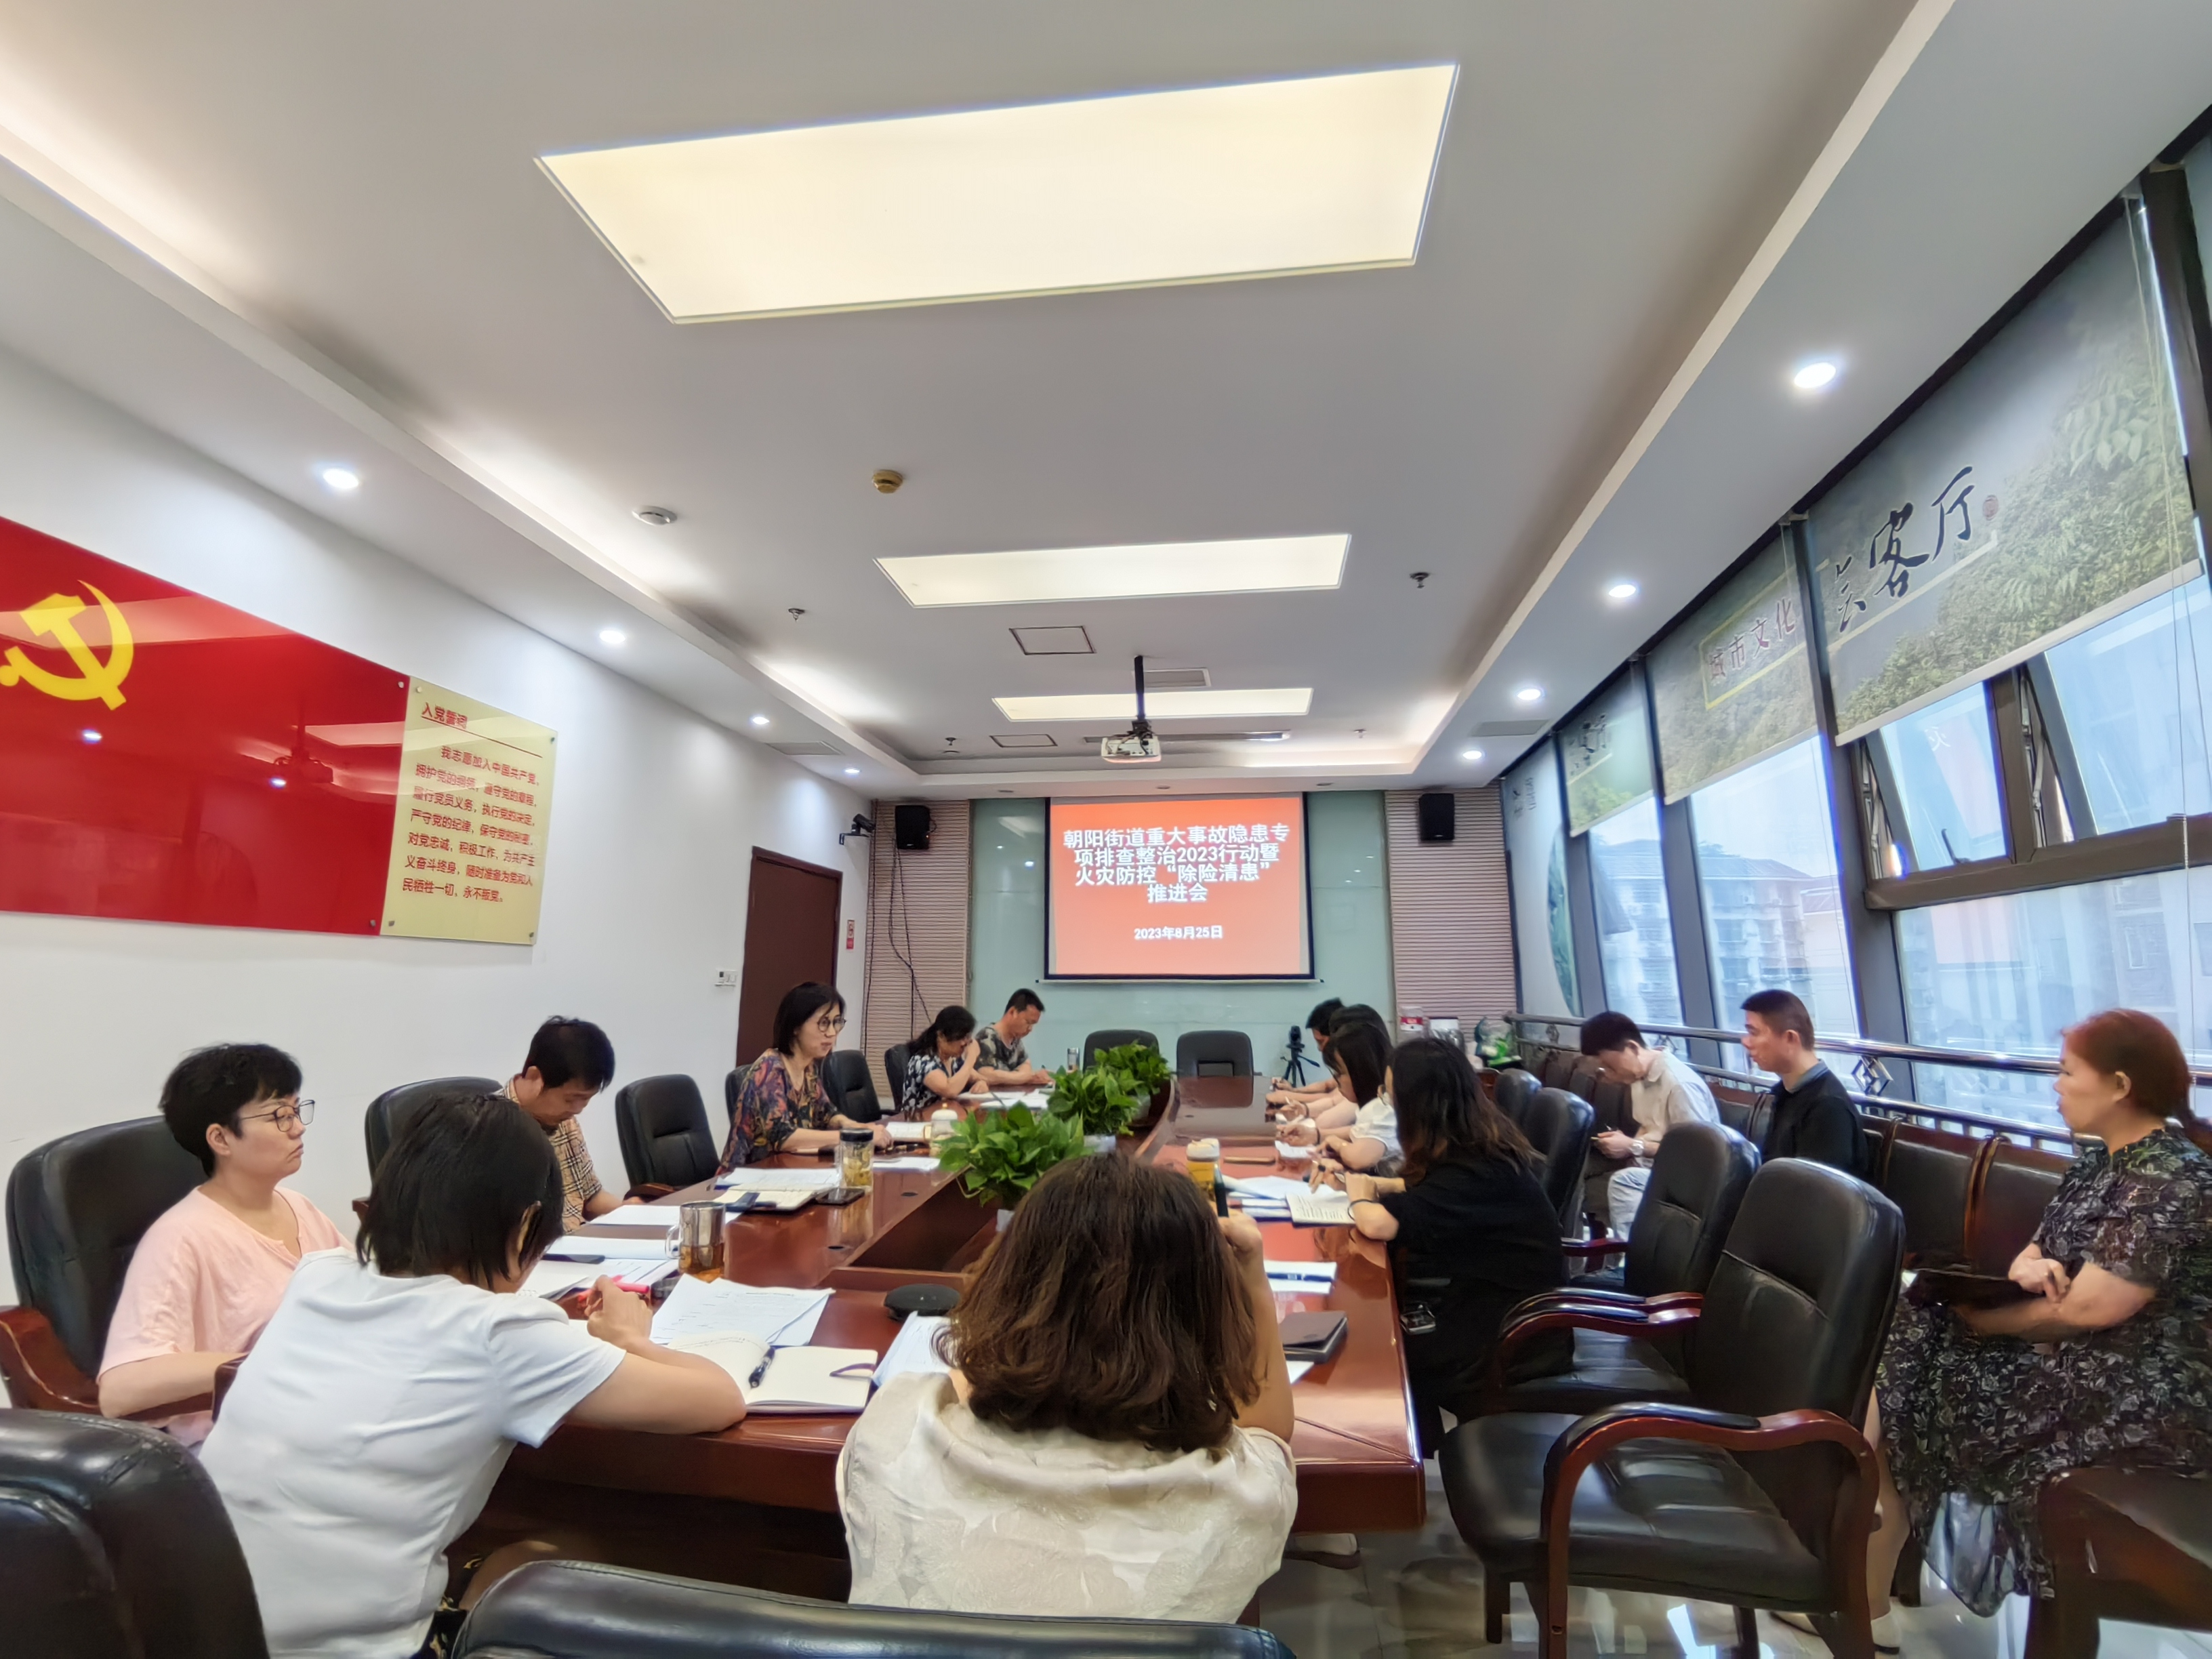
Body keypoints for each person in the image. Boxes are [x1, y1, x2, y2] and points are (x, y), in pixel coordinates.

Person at [203, 1090, 743, 1659]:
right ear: (526, 1225)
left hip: (199, 1630)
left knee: (519, 1557)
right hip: (358, 1652)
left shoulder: (318, 1274)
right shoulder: (500, 1333)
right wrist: (632, 1339)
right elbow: (720, 1399)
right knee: (593, 1550)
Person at [1845, 1010, 2212, 1643]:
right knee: (1919, 1334)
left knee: (1922, 1358)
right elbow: (2033, 1252)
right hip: (2077, 1360)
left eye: (2068, 1073)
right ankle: (1858, 1514)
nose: (2056, 1086)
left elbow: (2089, 1310)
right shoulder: (2098, 1162)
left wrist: (1985, 1321)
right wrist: (2031, 1267)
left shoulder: (2169, 1178)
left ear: (2120, 1086)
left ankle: (1852, 1502)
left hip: (2145, 1394)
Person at [838, 1153, 1296, 1620]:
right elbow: (1269, 1428)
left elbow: (970, 1377)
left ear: (1007, 1282)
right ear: (1202, 1321)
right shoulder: (1242, 1495)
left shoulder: (891, 1435)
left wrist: (1019, 1338)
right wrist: (1254, 1282)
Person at [98, 1044, 346, 1446]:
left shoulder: (299, 1207)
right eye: (279, 1116)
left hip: (324, 1413)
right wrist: (267, 1362)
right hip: (243, 1442)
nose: (298, 1128)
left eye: (297, 1110)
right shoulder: (181, 1238)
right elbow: (122, 1389)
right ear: (221, 1138)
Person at [1328, 1036, 1565, 1447]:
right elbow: (1433, 1191)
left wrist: (1359, 1197)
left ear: (1420, 1105)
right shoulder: (1476, 1146)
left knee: (1375, 1353)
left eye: (1392, 1096)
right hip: (1484, 1304)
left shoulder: (1477, 1170)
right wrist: (1378, 1185)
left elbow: (1378, 1225)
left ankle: (1401, 1460)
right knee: (1377, 1340)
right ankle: (1418, 1451)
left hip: (1514, 1334)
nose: (1389, 1104)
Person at [719, 983, 889, 1171]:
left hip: (787, 1172)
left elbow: (827, 1115)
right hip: (744, 1180)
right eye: (823, 1023)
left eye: (837, 1022)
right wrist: (855, 1136)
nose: (832, 1033)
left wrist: (857, 1127)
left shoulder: (808, 1069)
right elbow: (784, 1137)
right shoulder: (769, 1070)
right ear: (796, 1027)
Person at [1579, 1010, 1721, 1233]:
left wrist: (1633, 1146)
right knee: (1577, 1169)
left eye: (1610, 1067)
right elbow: (1648, 1127)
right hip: (1651, 1168)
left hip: (1683, 1180)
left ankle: (1629, 1249)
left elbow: (1696, 1157)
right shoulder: (1638, 1076)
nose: (1608, 1075)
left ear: (1632, 1048)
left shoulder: (1679, 1086)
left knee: (1622, 1182)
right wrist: (1626, 1145)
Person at [505, 1016, 630, 1231]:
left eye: (586, 1099)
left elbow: (591, 1197)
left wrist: (631, 1211)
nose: (578, 1110)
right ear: (534, 1077)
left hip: (576, 1243)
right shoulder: (493, 1131)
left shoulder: (562, 1119)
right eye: (571, 1099)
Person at [1741, 988, 1870, 1177]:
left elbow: (1815, 1190)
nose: (1745, 1041)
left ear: (1790, 1039)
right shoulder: (1786, 1092)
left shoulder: (1828, 1108)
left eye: (1754, 1033)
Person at [1284, 1021, 1398, 1171]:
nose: (1336, 1080)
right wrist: (1316, 1135)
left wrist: (1338, 1144)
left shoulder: (1383, 1109)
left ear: (1361, 1073)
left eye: (1340, 1073)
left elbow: (1359, 1159)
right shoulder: (1374, 1106)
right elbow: (1359, 1131)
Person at [898, 1005, 984, 1115]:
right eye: (960, 1037)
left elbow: (976, 1077)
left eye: (967, 1037)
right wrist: (971, 1058)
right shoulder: (923, 1062)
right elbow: (949, 1090)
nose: (965, 1043)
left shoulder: (952, 1060)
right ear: (941, 1035)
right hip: (919, 1121)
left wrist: (981, 1083)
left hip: (945, 1117)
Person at [1268, 998, 1346, 1107]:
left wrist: (1287, 1097)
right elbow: (1328, 1085)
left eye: (1321, 1042)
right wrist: (1294, 1091)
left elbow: (1334, 1099)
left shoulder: (1357, 1059)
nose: (1319, 1048)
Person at [975, 989, 1054, 1090]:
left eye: (1033, 1025)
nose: (1030, 1029)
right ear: (1013, 1012)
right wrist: (1026, 1077)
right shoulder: (987, 1037)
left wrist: (1025, 1077)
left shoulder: (1016, 1040)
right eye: (1028, 1022)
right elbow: (986, 1075)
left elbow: (1026, 1067)